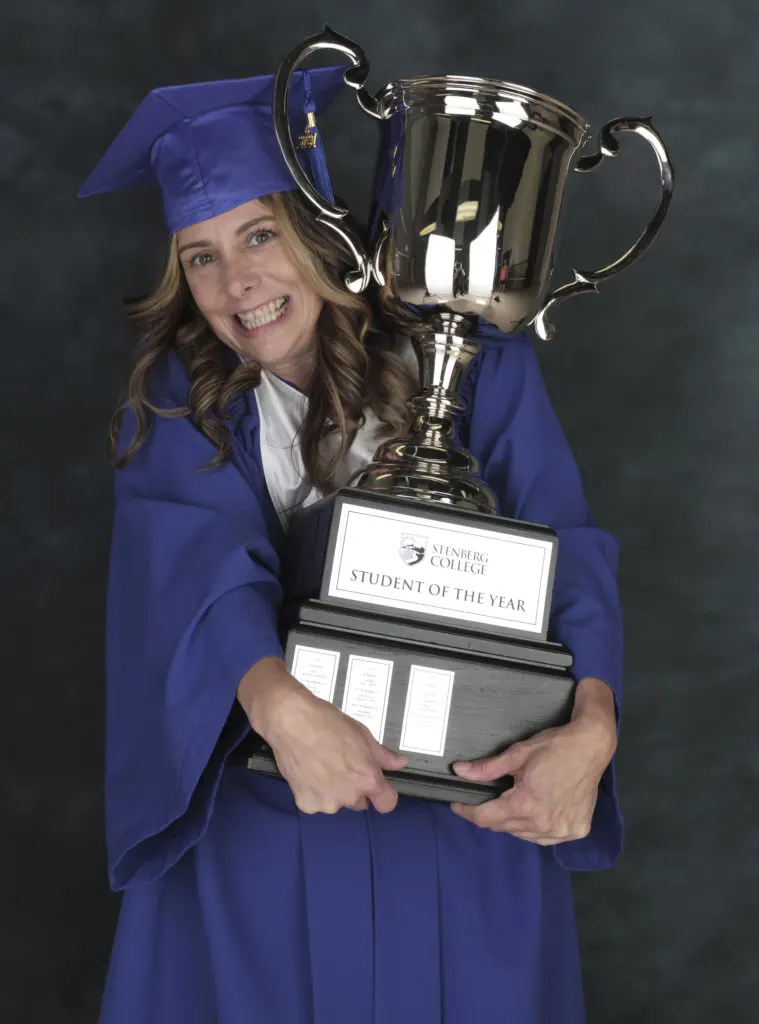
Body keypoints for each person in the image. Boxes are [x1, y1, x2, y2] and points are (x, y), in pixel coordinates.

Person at [79, 63, 623, 1024]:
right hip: (282, 810)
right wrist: (286, 715)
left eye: (258, 234)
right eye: (199, 256)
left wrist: (591, 729)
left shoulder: (472, 363)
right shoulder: (184, 400)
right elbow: (191, 579)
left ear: (319, 231)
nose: (236, 282)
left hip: (465, 811)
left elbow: (566, 546)